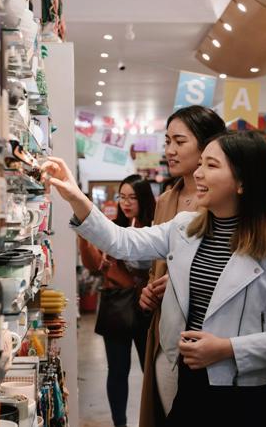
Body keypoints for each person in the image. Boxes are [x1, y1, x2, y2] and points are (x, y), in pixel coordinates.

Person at [42, 131, 266, 425]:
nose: (198, 173)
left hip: (246, 397)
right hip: (189, 386)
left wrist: (227, 348)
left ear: (243, 182)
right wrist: (75, 196)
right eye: (201, 163)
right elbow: (121, 241)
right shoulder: (184, 227)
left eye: (211, 165)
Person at [138, 105, 226, 426]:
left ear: (206, 146)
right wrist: (149, 290)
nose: (170, 151)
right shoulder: (165, 201)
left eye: (179, 141)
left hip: (209, 340)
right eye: (167, 141)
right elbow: (155, 266)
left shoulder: (223, 203)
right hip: (165, 335)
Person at [78, 174, 156, 427]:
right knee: (117, 371)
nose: (126, 202)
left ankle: (153, 419)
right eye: (122, 196)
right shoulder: (113, 228)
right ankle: (119, 424)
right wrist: (84, 235)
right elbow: (94, 266)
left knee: (152, 372)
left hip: (148, 306)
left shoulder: (157, 228)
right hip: (117, 306)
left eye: (132, 197)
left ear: (144, 199)